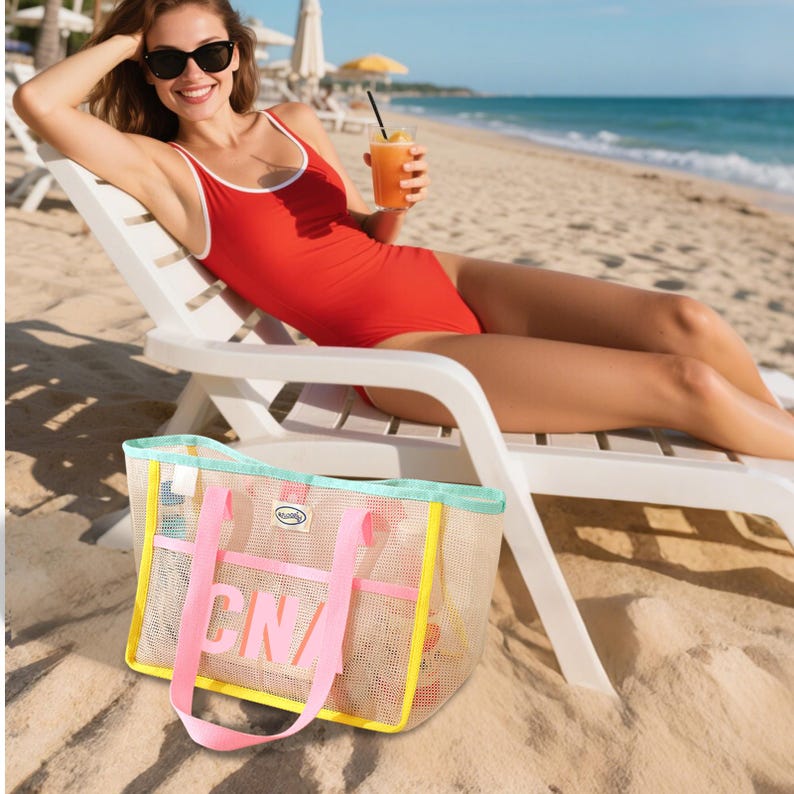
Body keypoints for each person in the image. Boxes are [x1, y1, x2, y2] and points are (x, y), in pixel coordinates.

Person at [14, 0, 794, 460]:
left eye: (210, 52)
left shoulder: (296, 119)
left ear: (237, 55)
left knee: (686, 320)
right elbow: (41, 106)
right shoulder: (166, 172)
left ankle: (774, 445)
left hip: (446, 276)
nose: (194, 74)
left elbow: (368, 233)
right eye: (168, 60)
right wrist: (129, 32)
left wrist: (400, 203)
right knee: (680, 383)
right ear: (146, 70)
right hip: (402, 355)